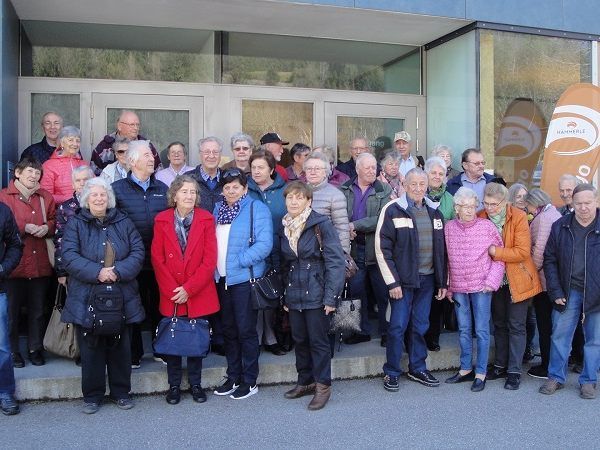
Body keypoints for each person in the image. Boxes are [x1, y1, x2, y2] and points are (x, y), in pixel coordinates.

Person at [61, 177, 145, 414]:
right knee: (91, 348)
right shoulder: (76, 223)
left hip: (122, 292)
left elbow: (138, 252)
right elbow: (68, 255)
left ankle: (121, 392)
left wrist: (116, 272)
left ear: (110, 198)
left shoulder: (124, 222)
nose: (99, 199)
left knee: (121, 347)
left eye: (103, 195)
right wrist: (98, 272)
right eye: (94, 195)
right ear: (86, 199)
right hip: (87, 294)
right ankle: (92, 396)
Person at [375, 168, 447, 391]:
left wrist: (442, 282)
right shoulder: (393, 210)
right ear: (404, 185)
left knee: (420, 326)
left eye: (421, 184)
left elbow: (441, 250)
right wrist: (393, 282)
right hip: (402, 283)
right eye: (413, 184)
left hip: (426, 281)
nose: (417, 189)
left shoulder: (435, 212)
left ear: (427, 186)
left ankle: (417, 367)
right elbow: (381, 248)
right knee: (397, 327)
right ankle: (392, 371)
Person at [151, 175, 219, 404]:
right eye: (184, 191)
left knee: (195, 338)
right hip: (171, 290)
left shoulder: (206, 219)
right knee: (173, 340)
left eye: (193, 192)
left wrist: (189, 289)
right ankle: (173, 386)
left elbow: (210, 260)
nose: (189, 196)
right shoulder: (161, 219)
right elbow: (157, 258)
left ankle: (196, 385)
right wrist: (174, 290)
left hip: (197, 290)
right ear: (174, 195)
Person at [278, 181, 345, 410]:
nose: (294, 201)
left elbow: (335, 262)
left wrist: (330, 298)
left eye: (299, 197)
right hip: (294, 293)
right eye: (290, 197)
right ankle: (305, 381)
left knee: (318, 342)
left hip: (317, 293)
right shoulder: (284, 225)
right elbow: (285, 263)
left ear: (309, 201)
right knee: (300, 340)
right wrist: (285, 296)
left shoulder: (321, 223)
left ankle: (323, 387)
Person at [212, 169, 273, 400]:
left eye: (235, 187)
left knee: (246, 331)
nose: (230, 191)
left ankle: (249, 380)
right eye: (226, 187)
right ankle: (233, 375)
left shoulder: (256, 209)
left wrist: (238, 262)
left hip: (244, 279)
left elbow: (264, 244)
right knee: (228, 330)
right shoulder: (218, 210)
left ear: (245, 188)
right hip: (222, 279)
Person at [479, 182, 542, 390]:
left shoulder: (518, 216)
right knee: (499, 323)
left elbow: (522, 252)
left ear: (505, 202)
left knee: (516, 325)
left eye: (494, 204)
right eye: (486, 203)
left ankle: (514, 370)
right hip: (494, 280)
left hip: (518, 278)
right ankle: (499, 365)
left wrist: (495, 251)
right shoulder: (480, 216)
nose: (490, 208)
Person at [540, 184, 600, 399]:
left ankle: (589, 380)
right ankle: (556, 376)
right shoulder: (560, 226)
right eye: (578, 204)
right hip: (568, 289)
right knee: (559, 335)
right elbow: (550, 259)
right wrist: (555, 291)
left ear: (596, 201)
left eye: (588, 203)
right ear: (572, 204)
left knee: (595, 339)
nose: (583, 208)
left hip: (597, 291)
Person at [112, 140, 168, 368]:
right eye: (146, 155)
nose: (151, 158)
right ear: (133, 161)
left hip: (158, 261)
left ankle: (160, 348)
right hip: (130, 262)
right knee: (131, 308)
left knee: (159, 306)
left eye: (152, 155)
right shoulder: (116, 189)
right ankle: (133, 353)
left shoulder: (163, 189)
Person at [444, 187, 504, 392]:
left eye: (472, 206)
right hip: (459, 286)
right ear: (456, 208)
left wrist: (491, 281)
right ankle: (465, 368)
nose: (469, 210)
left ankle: (480, 372)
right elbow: (447, 260)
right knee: (463, 329)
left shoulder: (486, 226)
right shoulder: (449, 228)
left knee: (481, 330)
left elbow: (499, 258)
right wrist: (449, 286)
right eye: (464, 206)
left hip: (481, 286)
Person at [0, 158, 56, 368]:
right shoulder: (4, 197)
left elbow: (54, 219)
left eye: (37, 173)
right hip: (13, 266)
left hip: (40, 263)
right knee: (11, 314)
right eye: (30, 172)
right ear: (18, 173)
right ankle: (13, 351)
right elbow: (4, 225)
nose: (34, 176)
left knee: (38, 311)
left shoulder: (45, 196)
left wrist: (47, 228)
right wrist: (26, 227)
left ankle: (35, 348)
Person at [340, 153, 392, 345]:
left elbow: (383, 218)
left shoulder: (384, 190)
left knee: (383, 293)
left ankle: (388, 332)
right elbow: (336, 213)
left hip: (377, 249)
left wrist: (354, 225)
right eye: (367, 167)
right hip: (353, 249)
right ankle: (359, 331)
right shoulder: (344, 189)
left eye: (374, 168)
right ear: (357, 169)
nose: (372, 171)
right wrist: (346, 228)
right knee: (355, 291)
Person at [247, 150, 287, 356]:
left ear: (271, 169)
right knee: (255, 296)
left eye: (261, 167)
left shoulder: (284, 190)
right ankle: (256, 337)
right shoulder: (244, 188)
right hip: (252, 252)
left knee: (272, 295)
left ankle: (271, 337)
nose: (256, 171)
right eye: (253, 167)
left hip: (279, 250)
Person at [525, 188, 561, 379]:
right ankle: (553, 363)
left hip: (544, 280)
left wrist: (529, 274)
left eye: (529, 205)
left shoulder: (543, 218)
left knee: (544, 324)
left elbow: (539, 251)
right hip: (554, 280)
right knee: (553, 325)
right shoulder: (554, 213)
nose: (528, 209)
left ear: (535, 202)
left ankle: (547, 365)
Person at [423, 156, 455, 352]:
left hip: (441, 255)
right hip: (421, 255)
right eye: (433, 172)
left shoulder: (450, 200)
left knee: (437, 297)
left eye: (440, 174)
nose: (436, 176)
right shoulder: (417, 193)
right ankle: (415, 338)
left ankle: (432, 338)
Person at [0, 204, 24, 415]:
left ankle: (5, 393)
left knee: (2, 348)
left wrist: (3, 268)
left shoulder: (2, 210)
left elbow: (16, 245)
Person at [54, 166, 95, 285]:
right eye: (78, 180)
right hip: (74, 266)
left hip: (99, 265)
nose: (82, 183)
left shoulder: (103, 203)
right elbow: (60, 240)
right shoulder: (65, 208)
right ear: (73, 184)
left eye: (86, 179)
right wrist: (61, 271)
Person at [304, 153, 350, 254]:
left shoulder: (335, 195)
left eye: (317, 169)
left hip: (325, 253)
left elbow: (342, 230)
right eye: (309, 169)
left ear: (326, 172)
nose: (313, 172)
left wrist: (342, 256)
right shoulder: (298, 193)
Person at [90, 110, 161, 176]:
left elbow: (158, 171)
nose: (136, 128)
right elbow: (93, 172)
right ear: (119, 126)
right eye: (132, 125)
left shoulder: (146, 145)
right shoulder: (105, 146)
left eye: (137, 125)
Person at [40, 126, 88, 204]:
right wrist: (71, 198)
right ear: (62, 143)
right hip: (60, 213)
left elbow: (94, 188)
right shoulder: (49, 166)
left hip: (85, 212)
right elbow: (46, 196)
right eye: (70, 140)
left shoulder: (84, 164)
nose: (75, 144)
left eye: (78, 141)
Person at [185, 137, 225, 213]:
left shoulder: (227, 179)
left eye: (215, 152)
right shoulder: (187, 179)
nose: (211, 156)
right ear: (200, 154)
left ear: (220, 155)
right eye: (207, 152)